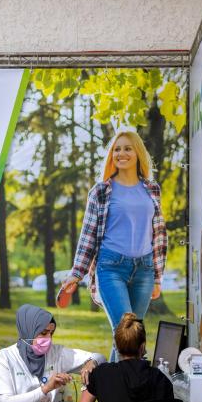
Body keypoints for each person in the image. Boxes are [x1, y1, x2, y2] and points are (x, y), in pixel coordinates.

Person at [59, 131, 168, 342]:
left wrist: (157, 276)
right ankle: (123, 376)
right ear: (111, 155)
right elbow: (88, 235)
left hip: (144, 270)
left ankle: (115, 376)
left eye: (127, 148)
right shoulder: (101, 191)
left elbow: (158, 235)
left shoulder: (152, 189)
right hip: (111, 268)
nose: (121, 153)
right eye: (117, 149)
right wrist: (77, 272)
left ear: (138, 153)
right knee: (126, 334)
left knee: (132, 340)